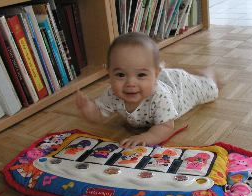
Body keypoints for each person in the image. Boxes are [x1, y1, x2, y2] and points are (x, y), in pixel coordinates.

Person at [76, 32, 218, 148]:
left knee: (210, 90)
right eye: (120, 75)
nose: (130, 83)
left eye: (141, 75)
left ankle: (208, 75)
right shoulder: (112, 93)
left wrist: (147, 137)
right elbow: (98, 114)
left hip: (180, 87)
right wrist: (88, 109)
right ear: (109, 74)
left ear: (156, 75)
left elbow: (166, 126)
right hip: (160, 77)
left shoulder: (159, 96)